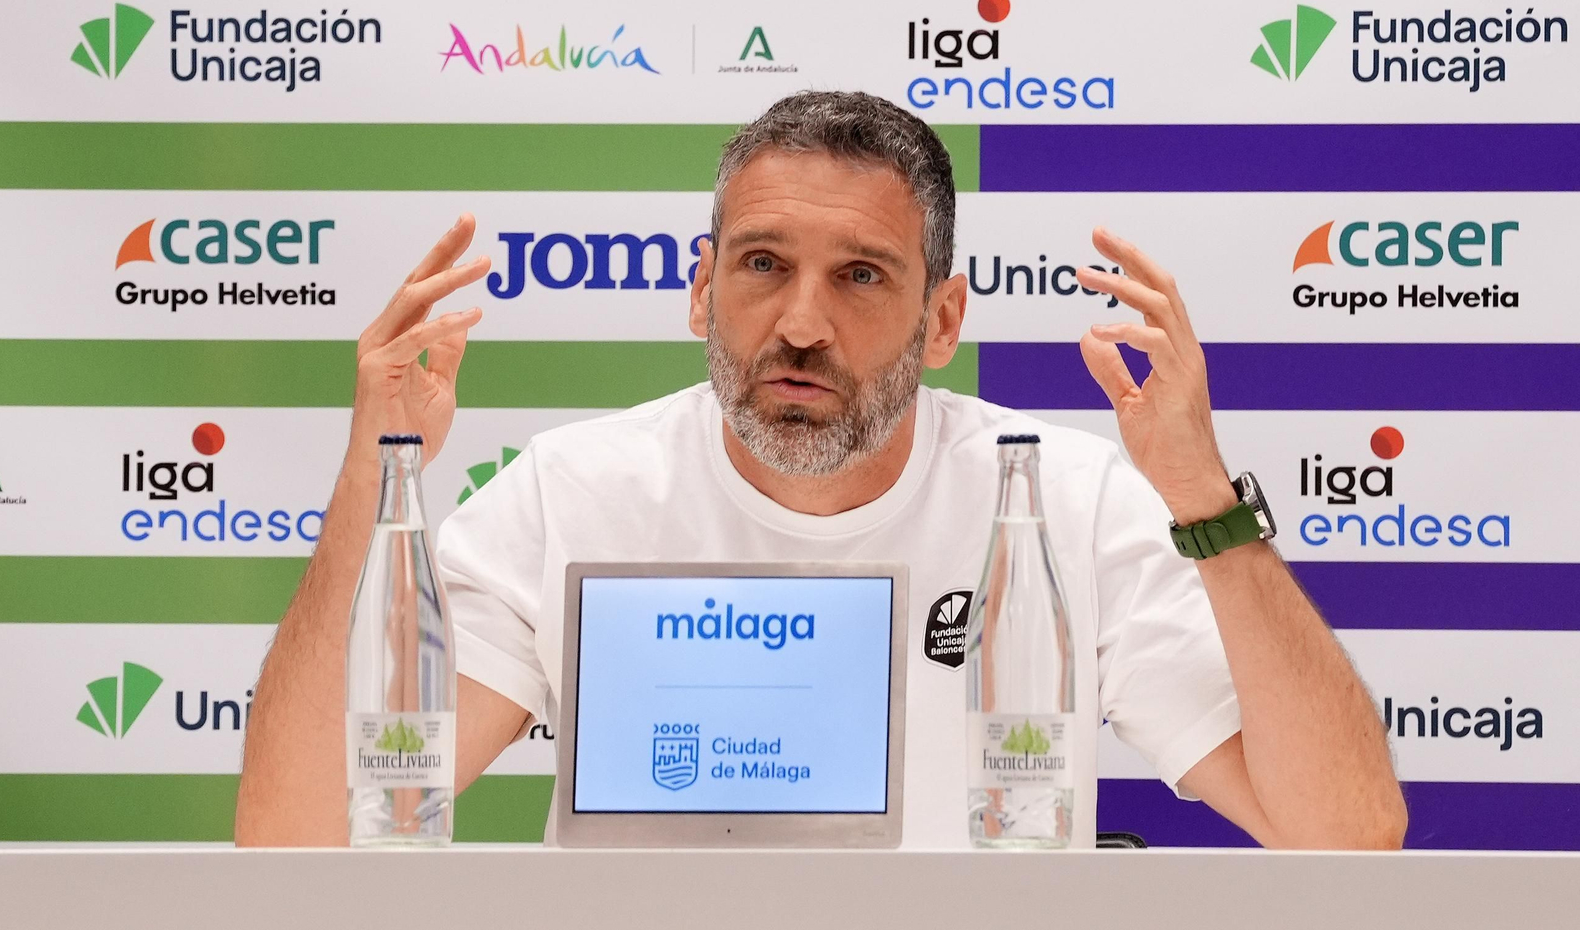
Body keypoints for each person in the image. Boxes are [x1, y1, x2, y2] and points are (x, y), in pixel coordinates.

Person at [235, 91, 1406, 849]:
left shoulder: (1058, 492)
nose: (799, 324)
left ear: (941, 319)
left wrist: (1203, 500)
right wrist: (370, 468)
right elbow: (296, 841)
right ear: (701, 289)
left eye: (859, 276)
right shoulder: (574, 489)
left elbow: (1346, 840)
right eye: (760, 263)